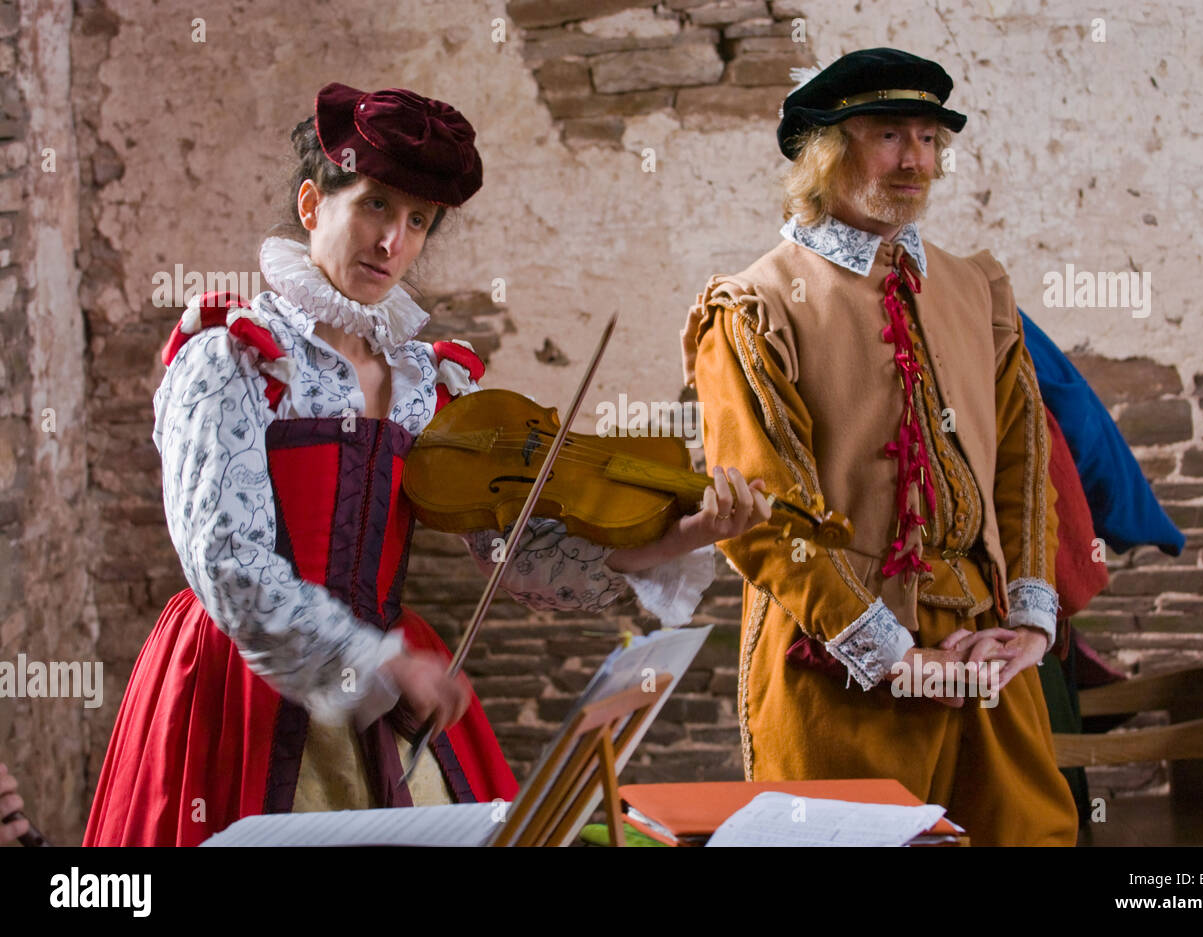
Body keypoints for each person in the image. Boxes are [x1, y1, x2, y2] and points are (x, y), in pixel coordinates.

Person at [83, 83, 770, 847]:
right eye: (375, 205)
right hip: (242, 689)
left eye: (417, 221)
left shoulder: (428, 381)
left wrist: (683, 534)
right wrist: (376, 665)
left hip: (394, 689)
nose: (393, 242)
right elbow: (226, 563)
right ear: (313, 205)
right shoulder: (233, 355)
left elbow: (517, 560)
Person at [682, 49, 1078, 845]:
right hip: (837, 663)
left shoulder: (975, 288)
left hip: (983, 649)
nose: (916, 161)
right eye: (890, 135)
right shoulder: (755, 306)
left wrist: (1030, 620)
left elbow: (1024, 462)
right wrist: (891, 653)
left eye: (929, 139)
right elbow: (764, 513)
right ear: (827, 152)